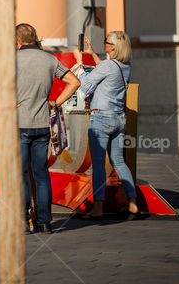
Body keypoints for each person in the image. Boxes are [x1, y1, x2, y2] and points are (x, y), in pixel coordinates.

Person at [0, 23, 80, 234]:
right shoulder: (49, 59)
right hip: (42, 125)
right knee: (42, 175)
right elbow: (74, 82)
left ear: (17, 41)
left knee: (21, 174)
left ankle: (23, 222)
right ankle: (44, 222)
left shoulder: (11, 60)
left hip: (19, 125)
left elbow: (0, 90)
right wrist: (56, 102)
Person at [74, 31, 139, 219]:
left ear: (113, 47)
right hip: (119, 119)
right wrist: (92, 54)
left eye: (106, 42)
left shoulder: (108, 66)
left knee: (99, 165)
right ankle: (133, 203)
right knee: (119, 162)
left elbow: (85, 87)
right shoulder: (125, 66)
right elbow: (107, 70)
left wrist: (79, 64)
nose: (105, 45)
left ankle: (98, 208)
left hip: (101, 118)